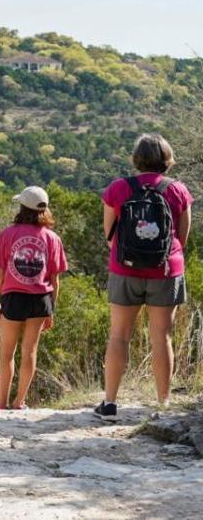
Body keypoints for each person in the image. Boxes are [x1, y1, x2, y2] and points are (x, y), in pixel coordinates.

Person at [95, 134, 193, 422]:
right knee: (162, 337)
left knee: (118, 336)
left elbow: (109, 234)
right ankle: (162, 404)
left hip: (125, 270)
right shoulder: (177, 190)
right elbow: (182, 237)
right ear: (168, 159)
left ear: (136, 159)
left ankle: (110, 403)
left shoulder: (118, 188)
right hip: (166, 270)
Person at [0, 186, 68, 410]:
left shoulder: (7, 235)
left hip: (13, 297)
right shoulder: (53, 239)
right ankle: (19, 401)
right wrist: (51, 309)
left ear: (21, 207)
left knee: (7, 352)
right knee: (30, 351)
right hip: (40, 299)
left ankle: (2, 402)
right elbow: (55, 280)